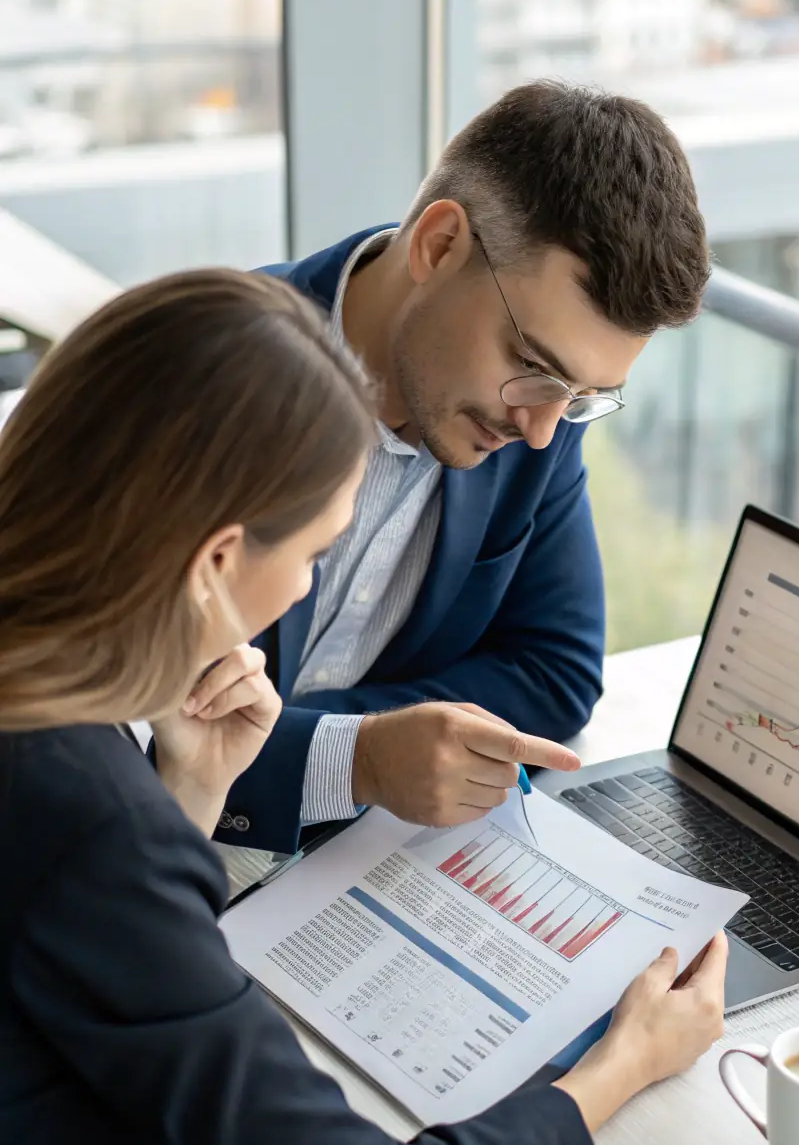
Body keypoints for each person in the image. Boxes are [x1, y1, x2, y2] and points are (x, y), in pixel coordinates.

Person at [0, 268, 728, 1145]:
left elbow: (91, 958)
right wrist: (623, 1064)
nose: (305, 583)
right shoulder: (90, 821)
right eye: (314, 552)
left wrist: (192, 791)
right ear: (216, 561)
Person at [213, 81, 710, 856]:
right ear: (439, 245)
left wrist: (356, 744)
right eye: (533, 365)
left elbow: (555, 671)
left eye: (583, 396)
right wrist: (356, 758)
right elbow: (116, 727)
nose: (541, 432)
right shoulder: (195, 381)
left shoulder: (537, 414)